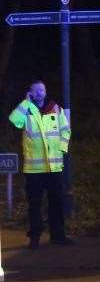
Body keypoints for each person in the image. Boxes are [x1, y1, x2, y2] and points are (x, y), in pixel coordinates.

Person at [8, 80, 73, 249]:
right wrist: (25, 102)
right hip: (34, 169)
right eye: (36, 90)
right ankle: (35, 237)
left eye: (42, 89)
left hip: (54, 167)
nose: (39, 93)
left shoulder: (55, 108)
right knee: (34, 205)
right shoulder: (26, 109)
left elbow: (65, 129)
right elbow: (14, 120)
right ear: (30, 93)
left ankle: (58, 236)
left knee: (57, 202)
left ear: (46, 91)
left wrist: (62, 149)